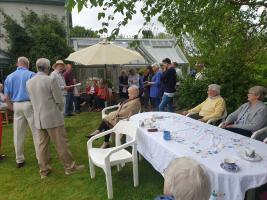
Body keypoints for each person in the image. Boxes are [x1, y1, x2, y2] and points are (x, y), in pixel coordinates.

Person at [26, 58, 84, 179]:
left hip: (39, 118)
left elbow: (32, 100)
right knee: (61, 144)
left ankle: (44, 170)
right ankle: (70, 167)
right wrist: (58, 110)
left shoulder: (29, 82)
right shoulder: (50, 80)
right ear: (47, 68)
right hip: (52, 117)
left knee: (42, 146)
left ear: (37, 67)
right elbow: (59, 100)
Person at [4, 56, 39, 168]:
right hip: (30, 104)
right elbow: (37, 92)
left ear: (17, 64)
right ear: (27, 65)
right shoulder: (31, 74)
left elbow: (6, 97)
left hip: (16, 105)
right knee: (36, 132)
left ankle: (19, 160)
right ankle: (40, 157)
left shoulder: (9, 77)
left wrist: (11, 107)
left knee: (18, 134)